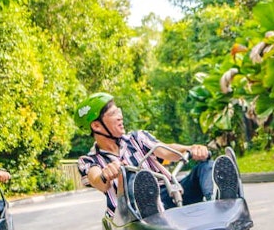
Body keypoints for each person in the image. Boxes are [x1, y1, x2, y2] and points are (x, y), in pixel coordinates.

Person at [74, 92, 242, 220]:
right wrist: (106, 174)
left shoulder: (137, 138)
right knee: (133, 177)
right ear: (96, 125)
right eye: (113, 114)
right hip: (133, 208)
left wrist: (192, 149)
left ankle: (221, 202)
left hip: (168, 193)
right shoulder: (89, 160)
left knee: (206, 167)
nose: (120, 116)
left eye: (119, 111)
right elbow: (96, 179)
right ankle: (151, 213)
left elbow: (166, 150)